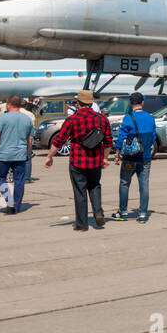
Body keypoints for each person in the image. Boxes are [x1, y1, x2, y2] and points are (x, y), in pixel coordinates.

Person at [44, 89, 112, 231]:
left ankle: (82, 224)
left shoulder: (72, 119)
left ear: (78, 103)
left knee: (80, 191)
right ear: (91, 102)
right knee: (95, 186)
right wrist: (105, 158)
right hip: (95, 161)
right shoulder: (102, 119)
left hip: (78, 161)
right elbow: (108, 141)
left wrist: (50, 156)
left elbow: (59, 140)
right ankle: (98, 212)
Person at [113, 91, 157, 222]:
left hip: (130, 158)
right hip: (145, 158)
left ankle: (123, 212)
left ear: (131, 103)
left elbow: (121, 137)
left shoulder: (128, 118)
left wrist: (117, 154)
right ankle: (143, 214)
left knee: (124, 183)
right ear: (142, 103)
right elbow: (153, 136)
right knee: (144, 185)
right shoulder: (150, 118)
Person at [0, 95, 33, 215]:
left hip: (3, 154)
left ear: (9, 105)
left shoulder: (2, 118)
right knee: (19, 180)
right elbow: (30, 139)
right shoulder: (27, 119)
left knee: (0, 177)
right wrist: (27, 152)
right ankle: (17, 204)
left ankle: (9, 200)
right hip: (20, 154)